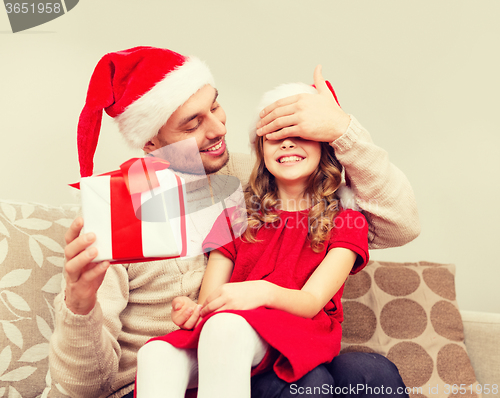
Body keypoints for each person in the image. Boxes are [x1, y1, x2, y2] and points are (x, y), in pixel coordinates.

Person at [49, 46, 419, 398]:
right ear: (151, 142)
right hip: (175, 364)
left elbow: (400, 224)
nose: (218, 129)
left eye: (215, 107)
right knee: (310, 381)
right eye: (193, 123)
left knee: (372, 376)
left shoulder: (256, 179)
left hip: (262, 342)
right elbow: (78, 388)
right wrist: (80, 305)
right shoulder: (116, 214)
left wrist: (342, 130)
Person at [135, 81, 370, 398]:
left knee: (225, 328)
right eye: (275, 137)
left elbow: (311, 302)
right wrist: (195, 311)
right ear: (262, 150)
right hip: (230, 329)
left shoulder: (346, 220)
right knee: (156, 353)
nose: (286, 144)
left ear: (324, 148)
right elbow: (212, 300)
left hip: (298, 329)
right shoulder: (235, 216)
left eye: (300, 136)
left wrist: (260, 292)